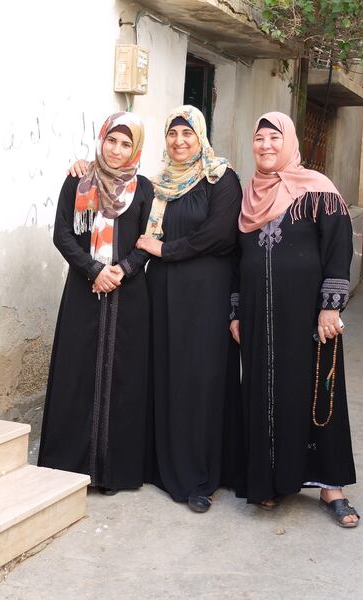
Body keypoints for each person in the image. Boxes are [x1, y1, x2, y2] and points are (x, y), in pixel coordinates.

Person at [230, 112, 360, 527]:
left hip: (308, 318)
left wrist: (331, 306)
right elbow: (238, 260)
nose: (266, 146)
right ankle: (271, 483)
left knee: (319, 395)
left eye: (274, 138)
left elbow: (339, 250)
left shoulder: (318, 190)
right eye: (259, 138)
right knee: (265, 395)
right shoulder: (248, 195)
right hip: (258, 318)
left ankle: (332, 487)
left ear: (288, 142)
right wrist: (235, 311)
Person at [38, 112, 154, 495]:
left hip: (129, 293)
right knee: (78, 371)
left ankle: (113, 473)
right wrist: (93, 269)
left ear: (135, 147)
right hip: (83, 291)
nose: (117, 150)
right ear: (101, 139)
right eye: (112, 141)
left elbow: (148, 239)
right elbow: (63, 235)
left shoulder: (145, 189)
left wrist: (122, 270)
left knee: (123, 378)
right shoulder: (78, 180)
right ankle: (71, 466)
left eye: (126, 143)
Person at [136, 106, 242, 513]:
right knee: (165, 375)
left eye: (188, 134)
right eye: (173, 134)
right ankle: (162, 467)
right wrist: (81, 168)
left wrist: (166, 249)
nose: (180, 142)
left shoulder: (221, 178)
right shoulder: (157, 183)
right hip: (161, 292)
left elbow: (219, 235)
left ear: (201, 137)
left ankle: (201, 476)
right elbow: (119, 200)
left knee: (201, 381)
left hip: (206, 295)